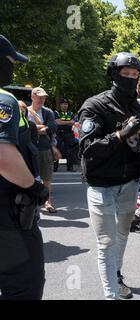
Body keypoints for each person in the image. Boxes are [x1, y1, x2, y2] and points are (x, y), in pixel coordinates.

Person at [78, 52, 140, 300]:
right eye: (125, 74)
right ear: (113, 74)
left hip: (130, 184)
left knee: (122, 236)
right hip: (101, 187)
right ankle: (111, 295)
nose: (131, 78)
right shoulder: (94, 105)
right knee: (107, 243)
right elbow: (88, 149)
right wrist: (121, 135)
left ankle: (116, 275)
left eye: (135, 75)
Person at [0, 34, 49, 299]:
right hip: (7, 213)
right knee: (23, 288)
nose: (13, 67)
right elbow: (3, 157)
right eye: (10, 61)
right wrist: (35, 187)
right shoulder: (4, 99)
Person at [27, 87, 58, 213]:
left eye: (44, 97)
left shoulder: (48, 112)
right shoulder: (25, 111)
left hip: (44, 148)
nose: (42, 99)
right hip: (29, 148)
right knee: (30, 177)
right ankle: (31, 203)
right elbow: (26, 128)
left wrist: (40, 129)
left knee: (46, 177)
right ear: (32, 97)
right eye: (39, 97)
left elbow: (52, 126)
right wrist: (39, 129)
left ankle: (48, 202)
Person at [54, 98, 77, 172]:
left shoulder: (70, 113)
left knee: (70, 151)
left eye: (66, 104)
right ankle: (55, 167)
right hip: (59, 133)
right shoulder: (56, 113)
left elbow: (73, 122)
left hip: (68, 133)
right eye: (63, 104)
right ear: (60, 105)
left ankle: (70, 167)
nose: (65, 106)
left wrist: (63, 121)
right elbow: (57, 122)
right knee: (57, 149)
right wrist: (68, 121)